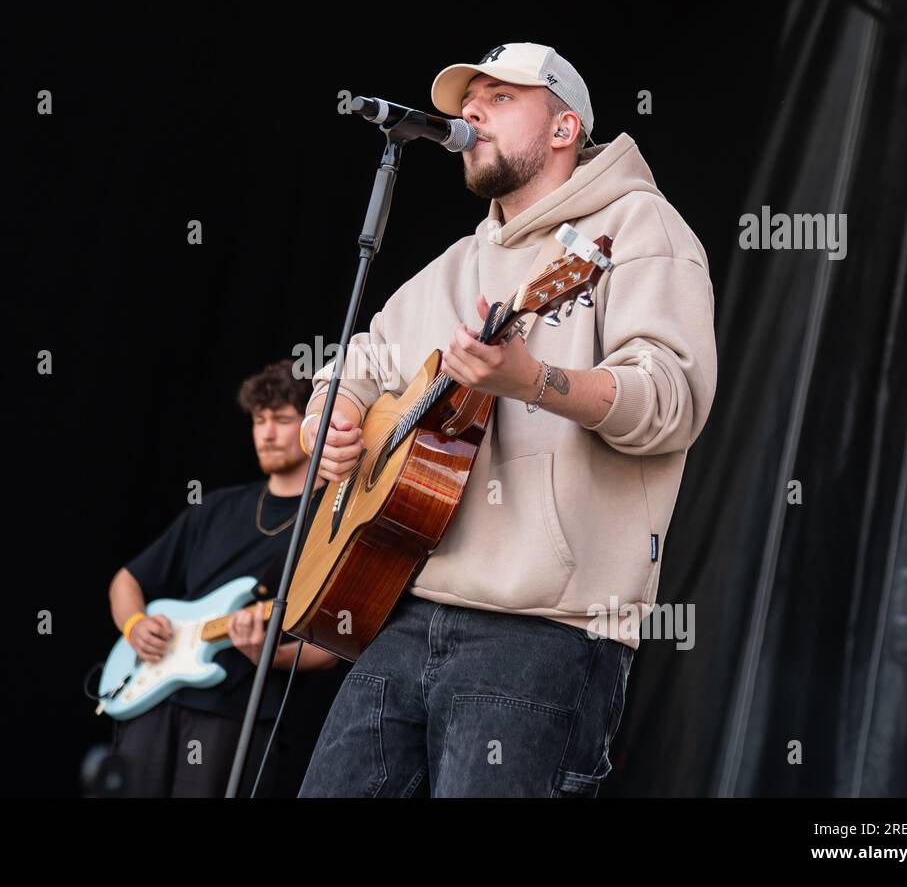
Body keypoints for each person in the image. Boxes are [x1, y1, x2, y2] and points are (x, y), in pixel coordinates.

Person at [297, 42, 718, 797]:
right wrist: (328, 420)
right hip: (402, 612)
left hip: (544, 633)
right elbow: (360, 360)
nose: (470, 112)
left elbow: (672, 402)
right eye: (469, 100)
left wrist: (535, 380)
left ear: (563, 128)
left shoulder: (638, 231)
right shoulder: (459, 261)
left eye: (499, 97)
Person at [108, 359, 337, 797]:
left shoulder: (332, 520)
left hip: (234, 715)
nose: (266, 433)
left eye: (283, 420)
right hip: (151, 699)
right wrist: (136, 626)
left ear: (314, 425)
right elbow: (126, 581)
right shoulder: (216, 508)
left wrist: (271, 655)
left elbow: (331, 646)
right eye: (259, 420)